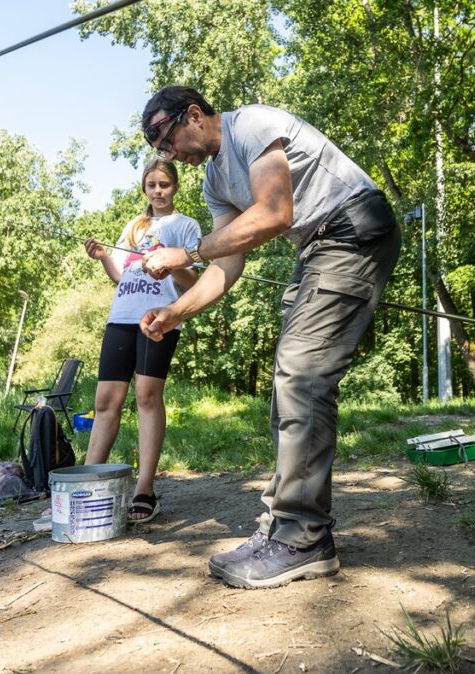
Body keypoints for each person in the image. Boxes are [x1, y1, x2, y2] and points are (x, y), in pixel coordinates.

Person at [138, 86, 401, 588]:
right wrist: (177, 310)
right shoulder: (216, 181)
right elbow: (226, 263)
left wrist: (187, 253)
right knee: (291, 375)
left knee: (301, 372)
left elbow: (275, 213)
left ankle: (303, 538)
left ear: (193, 114)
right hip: (318, 247)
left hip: (353, 227)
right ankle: (284, 524)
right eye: (160, 150)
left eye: (167, 140)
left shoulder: (252, 126)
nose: (169, 156)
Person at [82, 159, 201, 523]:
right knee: (106, 401)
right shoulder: (133, 226)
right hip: (120, 317)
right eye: (151, 185)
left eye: (164, 184)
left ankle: (144, 489)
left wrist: (170, 266)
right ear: (144, 188)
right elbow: (121, 276)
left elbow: (194, 281)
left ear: (175, 187)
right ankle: (86, 483)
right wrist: (103, 257)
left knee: (147, 397)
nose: (158, 191)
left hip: (158, 318)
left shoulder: (186, 226)